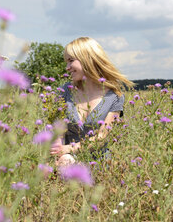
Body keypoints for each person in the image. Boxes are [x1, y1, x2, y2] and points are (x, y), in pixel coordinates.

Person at [50, 37, 133, 166]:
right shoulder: (64, 91)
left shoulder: (115, 96)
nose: (67, 67)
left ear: (87, 59)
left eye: (71, 61)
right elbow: (58, 132)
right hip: (66, 161)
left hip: (99, 165)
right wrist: (57, 153)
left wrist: (67, 148)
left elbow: (102, 137)